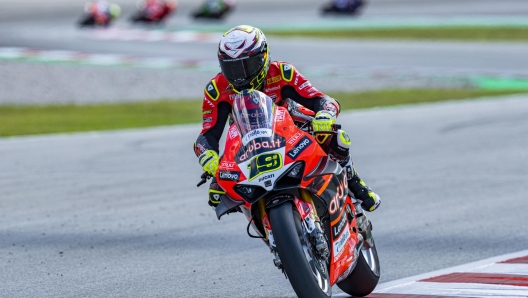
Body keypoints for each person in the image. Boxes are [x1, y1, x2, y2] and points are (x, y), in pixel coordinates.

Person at [194, 25, 380, 214]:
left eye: (247, 66)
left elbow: (321, 100)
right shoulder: (216, 90)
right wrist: (207, 156)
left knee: (333, 136)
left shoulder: (283, 72)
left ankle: (355, 183)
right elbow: (206, 136)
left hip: (290, 131)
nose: (240, 76)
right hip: (246, 143)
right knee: (217, 193)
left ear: (264, 56)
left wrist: (325, 114)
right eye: (232, 68)